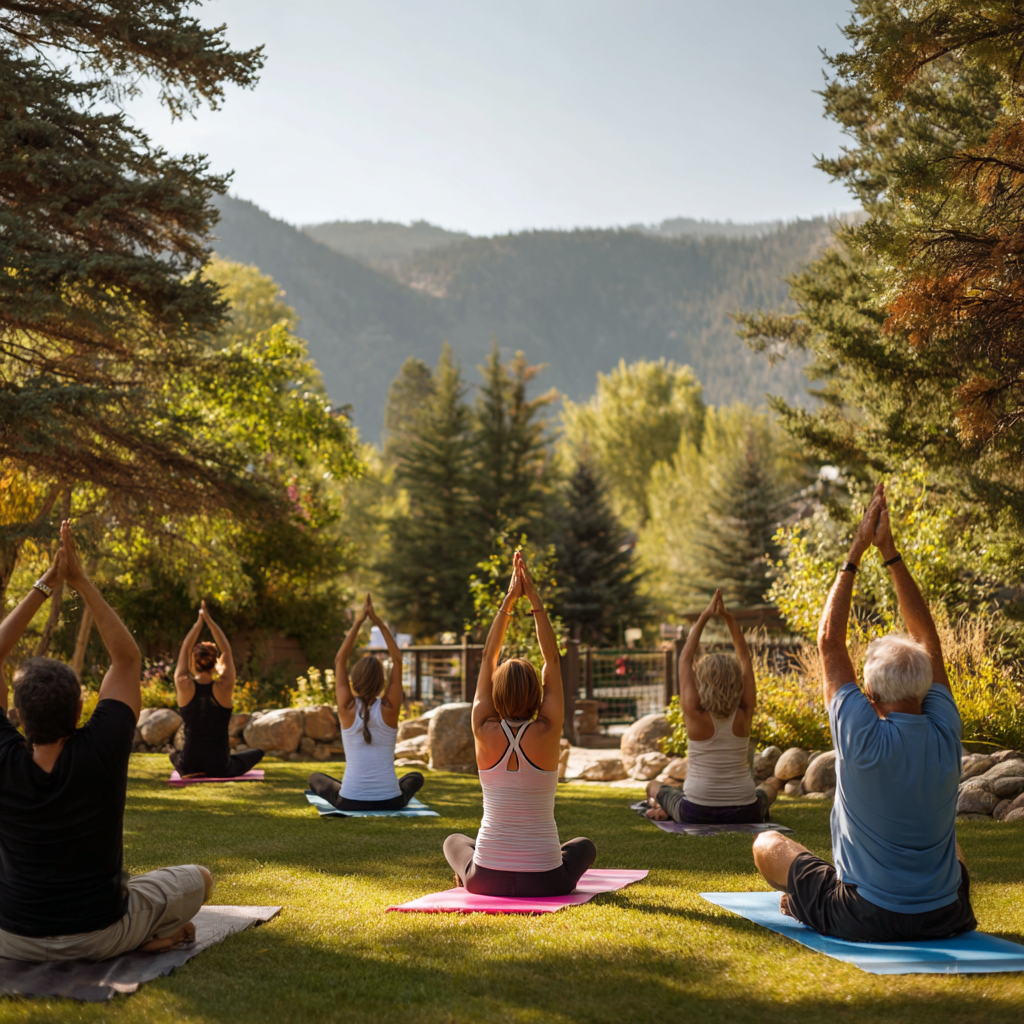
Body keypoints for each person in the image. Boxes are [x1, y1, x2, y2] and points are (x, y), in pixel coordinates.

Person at [751, 483, 977, 942]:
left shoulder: (859, 734)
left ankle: (805, 904)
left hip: (865, 917)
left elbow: (829, 642)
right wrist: (891, 556)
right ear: (924, 684)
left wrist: (856, 551)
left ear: (870, 694)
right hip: (949, 915)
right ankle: (812, 901)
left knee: (767, 844)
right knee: (954, 858)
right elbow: (929, 642)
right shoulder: (944, 726)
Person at [0, 521, 213, 962]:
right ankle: (148, 933)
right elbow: (127, 659)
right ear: (80, 711)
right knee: (202, 878)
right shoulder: (104, 745)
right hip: (99, 934)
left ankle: (143, 931)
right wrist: (78, 580)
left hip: (12, 939)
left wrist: (44, 585)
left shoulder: (4, 758)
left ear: (17, 716)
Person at [443, 551, 596, 897]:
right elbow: (552, 659)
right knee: (583, 845)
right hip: (547, 881)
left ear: (496, 693)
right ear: (536, 693)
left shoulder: (483, 728)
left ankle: (467, 874)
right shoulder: (547, 729)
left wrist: (508, 601)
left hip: (485, 879)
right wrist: (535, 601)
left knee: (455, 840)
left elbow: (487, 658)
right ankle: (536, 856)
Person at [644, 589, 780, 825]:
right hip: (745, 811)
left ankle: (661, 807)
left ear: (702, 681)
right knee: (771, 787)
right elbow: (745, 659)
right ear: (736, 680)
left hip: (695, 811)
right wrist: (729, 618)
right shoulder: (744, 712)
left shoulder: (695, 715)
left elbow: (685, 658)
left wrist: (705, 616)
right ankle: (664, 807)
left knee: (653, 785)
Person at [307, 593, 423, 810]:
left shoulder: (346, 707)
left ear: (353, 681)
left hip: (349, 801)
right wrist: (378, 622)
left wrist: (359, 621)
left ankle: (354, 786)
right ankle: (379, 789)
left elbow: (340, 659)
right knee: (415, 777)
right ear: (381, 682)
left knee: (315, 777)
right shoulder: (389, 708)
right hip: (391, 801)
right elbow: (397, 660)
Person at [171, 601, 263, 778]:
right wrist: (209, 620)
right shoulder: (224, 685)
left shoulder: (183, 683)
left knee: (173, 754)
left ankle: (189, 767)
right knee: (257, 753)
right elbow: (226, 650)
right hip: (219, 765)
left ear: (193, 662)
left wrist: (199, 623)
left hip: (189, 764)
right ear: (216, 662)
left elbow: (185, 648)